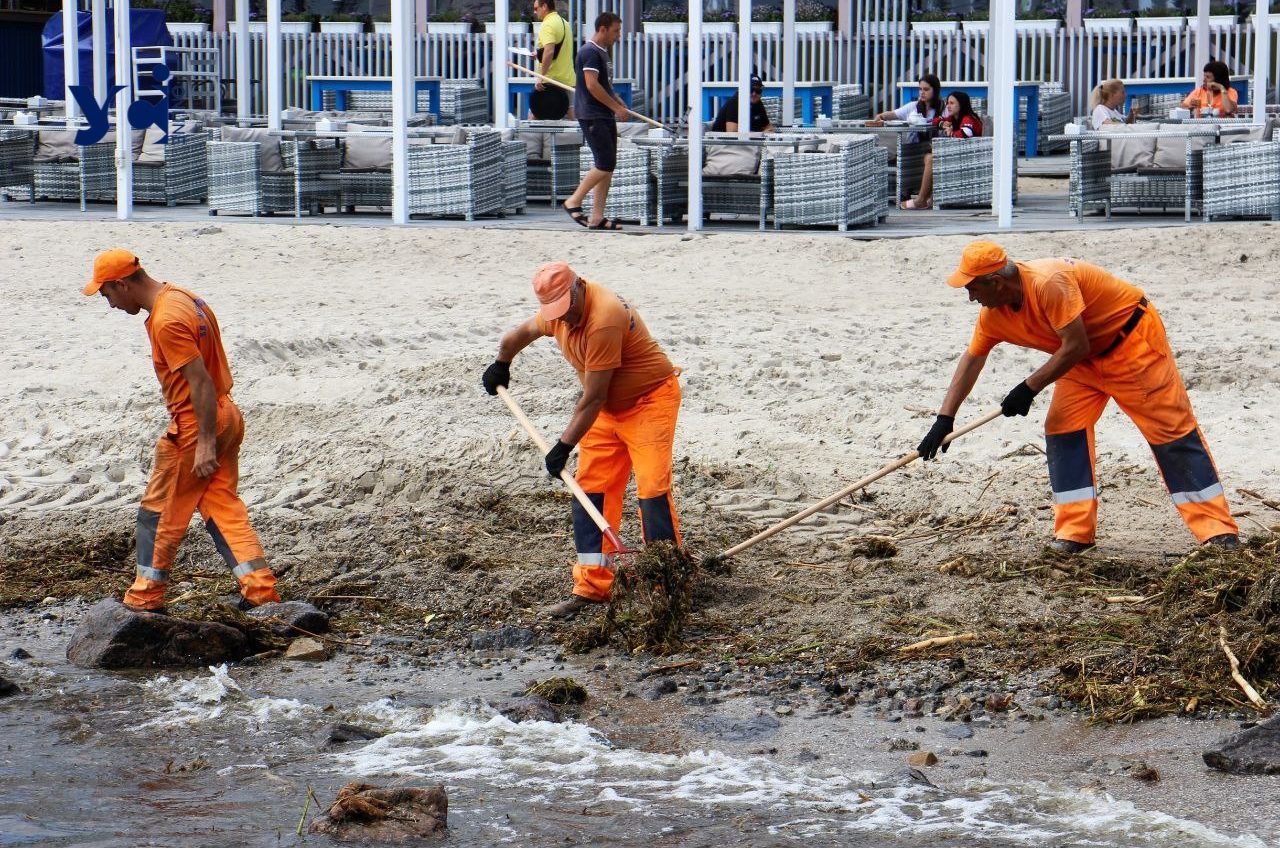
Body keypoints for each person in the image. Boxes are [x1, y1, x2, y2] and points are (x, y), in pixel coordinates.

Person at [915, 241, 1240, 554]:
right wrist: (944, 419)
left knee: (1171, 433)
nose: (970, 297)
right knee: (1063, 429)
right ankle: (1074, 533)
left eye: (972, 288)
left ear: (997, 282)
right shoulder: (994, 315)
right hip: (1079, 362)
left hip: (1129, 345)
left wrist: (1028, 388)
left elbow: (1076, 344)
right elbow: (972, 359)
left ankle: (1218, 532)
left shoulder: (1048, 283)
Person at [83, 249, 281, 613]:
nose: (108, 304)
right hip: (227, 415)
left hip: (196, 425)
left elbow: (200, 382)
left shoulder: (167, 320)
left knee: (158, 513)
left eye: (106, 294)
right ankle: (261, 591)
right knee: (222, 506)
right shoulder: (186, 298)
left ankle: (146, 598)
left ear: (121, 284)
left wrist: (204, 442)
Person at [483, 262, 682, 618]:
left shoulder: (603, 318)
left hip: (649, 401)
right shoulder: (556, 315)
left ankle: (666, 581)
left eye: (568, 307)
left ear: (578, 287)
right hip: (606, 412)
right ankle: (593, 587)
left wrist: (562, 446)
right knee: (591, 488)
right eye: (556, 312)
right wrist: (502, 363)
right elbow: (517, 335)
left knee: (652, 487)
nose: (566, 317)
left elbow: (593, 398)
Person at [563, 12, 629, 231]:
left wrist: (617, 99)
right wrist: (615, 107)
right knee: (605, 162)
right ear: (603, 28)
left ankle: (596, 217)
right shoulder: (590, 51)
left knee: (608, 166)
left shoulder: (602, 52)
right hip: (592, 114)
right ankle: (574, 200)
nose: (618, 36)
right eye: (616, 30)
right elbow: (591, 85)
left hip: (603, 114)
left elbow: (604, 84)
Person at [901, 91, 982, 211]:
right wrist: (943, 123)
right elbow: (935, 120)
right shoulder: (953, 117)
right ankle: (928, 198)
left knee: (931, 158)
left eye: (952, 103)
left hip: (970, 158)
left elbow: (966, 133)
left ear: (962, 105)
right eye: (947, 103)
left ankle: (922, 200)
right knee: (928, 156)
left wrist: (951, 133)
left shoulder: (968, 117)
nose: (948, 106)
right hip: (958, 155)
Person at [869, 72, 942, 143]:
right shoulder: (913, 106)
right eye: (920, 89)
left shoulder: (943, 108)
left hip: (937, 149)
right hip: (913, 150)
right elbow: (894, 114)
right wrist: (881, 116)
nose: (922, 92)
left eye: (926, 89)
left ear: (935, 90)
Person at [531, 0, 574, 120]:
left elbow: (549, 51)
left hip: (550, 80)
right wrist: (539, 54)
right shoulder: (564, 23)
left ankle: (527, 139)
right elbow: (559, 49)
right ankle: (581, 138)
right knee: (571, 115)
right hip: (567, 78)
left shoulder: (548, 24)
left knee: (535, 114)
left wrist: (541, 76)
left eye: (536, 8)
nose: (535, 12)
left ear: (544, 6)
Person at [710, 75, 775, 133]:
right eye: (751, 90)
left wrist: (765, 132)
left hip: (747, 144)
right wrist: (760, 134)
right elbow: (732, 133)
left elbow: (769, 127)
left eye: (758, 91)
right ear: (743, 89)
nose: (754, 94)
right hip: (723, 144)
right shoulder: (735, 102)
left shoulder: (757, 103)